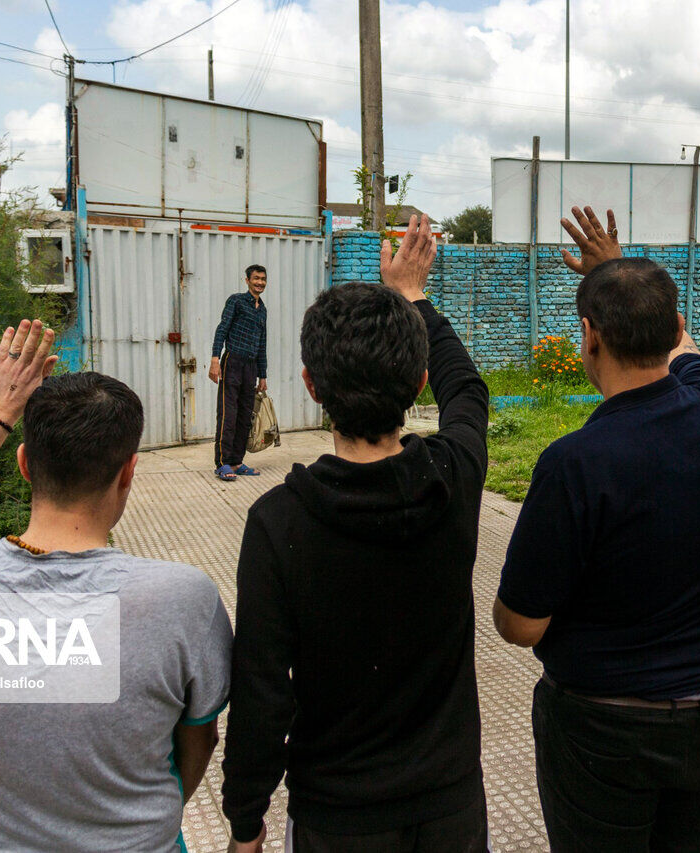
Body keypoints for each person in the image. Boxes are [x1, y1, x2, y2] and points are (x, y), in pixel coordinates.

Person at [0, 320, 232, 851]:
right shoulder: (183, 600)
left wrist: (0, 409)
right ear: (128, 473)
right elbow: (200, 739)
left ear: (25, 465)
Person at [220, 215, 491, 853]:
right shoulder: (451, 477)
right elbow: (469, 390)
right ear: (418, 384)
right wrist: (414, 298)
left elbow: (262, 689)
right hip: (451, 806)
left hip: (334, 817)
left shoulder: (278, 521)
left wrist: (245, 820)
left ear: (312, 387)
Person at [493, 206, 700, 853]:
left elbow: (520, 624)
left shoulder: (574, 463)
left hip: (605, 733)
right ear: (677, 327)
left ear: (588, 337)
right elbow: (689, 350)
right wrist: (615, 267)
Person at [210, 264, 269, 481]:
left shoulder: (262, 309)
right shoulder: (236, 301)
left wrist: (263, 375)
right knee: (228, 414)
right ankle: (223, 463)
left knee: (245, 416)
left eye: (263, 279)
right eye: (256, 278)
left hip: (251, 367)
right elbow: (222, 329)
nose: (259, 282)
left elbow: (262, 344)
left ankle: (237, 461)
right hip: (232, 361)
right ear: (247, 280)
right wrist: (215, 358)